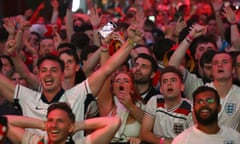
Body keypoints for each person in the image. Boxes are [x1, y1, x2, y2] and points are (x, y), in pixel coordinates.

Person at [0, 25, 144, 139]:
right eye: (44, 70)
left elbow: (107, 69)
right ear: (38, 74)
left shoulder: (77, 95)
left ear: (63, 74)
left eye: (54, 70)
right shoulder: (27, 97)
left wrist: (130, 42)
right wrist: (43, 125)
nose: (48, 74)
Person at [5, 102, 121, 144]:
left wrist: (77, 126)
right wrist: (42, 124)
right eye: (51, 120)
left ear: (70, 126)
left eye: (60, 121)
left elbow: (115, 122)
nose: (54, 125)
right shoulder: (36, 142)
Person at [140, 66, 193, 144]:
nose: (169, 84)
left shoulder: (190, 108)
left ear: (182, 87)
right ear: (161, 89)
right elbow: (144, 133)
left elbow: (193, 140)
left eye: (173, 80)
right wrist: (163, 142)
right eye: (165, 81)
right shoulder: (155, 101)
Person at [172, 86, 240, 144]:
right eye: (200, 102)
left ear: (219, 107)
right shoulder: (181, 141)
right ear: (194, 109)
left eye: (209, 101)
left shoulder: (235, 138)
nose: (204, 104)